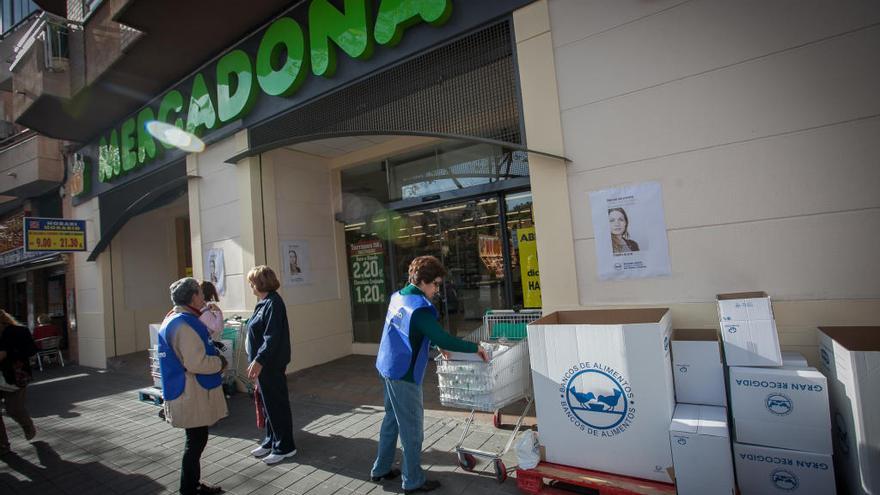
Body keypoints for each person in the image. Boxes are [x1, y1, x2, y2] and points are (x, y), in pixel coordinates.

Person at [371, 256, 488, 494]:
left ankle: (381, 469)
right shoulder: (420, 307)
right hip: (403, 373)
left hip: (388, 365)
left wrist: (436, 344)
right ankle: (412, 480)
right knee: (412, 429)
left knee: (392, 420)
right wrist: (475, 348)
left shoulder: (399, 296)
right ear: (423, 282)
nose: (437, 289)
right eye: (435, 284)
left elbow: (412, 331)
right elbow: (442, 336)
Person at [157, 278, 227, 495]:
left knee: (195, 441)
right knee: (195, 442)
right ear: (193, 297)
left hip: (185, 390)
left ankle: (192, 485)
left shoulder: (177, 319)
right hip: (190, 392)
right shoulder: (183, 325)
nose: (203, 297)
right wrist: (220, 363)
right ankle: (189, 488)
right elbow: (195, 363)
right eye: (200, 293)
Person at [245, 265, 296, 465]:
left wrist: (259, 360)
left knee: (276, 405)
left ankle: (285, 446)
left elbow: (271, 337)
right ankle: (270, 440)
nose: (250, 286)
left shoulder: (274, 303)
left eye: (251, 283)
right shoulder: (265, 302)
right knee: (267, 405)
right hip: (264, 366)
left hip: (270, 365)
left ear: (259, 283)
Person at [0, 310, 37, 456]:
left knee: (14, 409)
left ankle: (28, 426)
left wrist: (13, 354)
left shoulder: (18, 331)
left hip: (15, 376)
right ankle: (3, 444)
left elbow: (31, 350)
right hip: (12, 375)